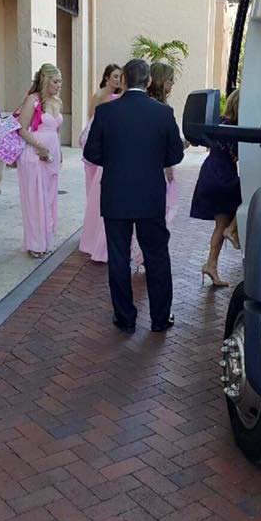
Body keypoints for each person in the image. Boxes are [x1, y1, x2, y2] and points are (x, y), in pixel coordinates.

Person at [84, 58, 184, 334]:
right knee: (157, 256)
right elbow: (175, 154)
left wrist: (117, 161)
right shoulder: (163, 113)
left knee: (118, 257)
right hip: (150, 197)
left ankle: (125, 318)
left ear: (125, 81)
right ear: (149, 81)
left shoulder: (106, 113)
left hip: (116, 195)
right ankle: (160, 318)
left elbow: (91, 153)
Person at [190, 88, 242, 287]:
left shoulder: (220, 122)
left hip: (210, 171)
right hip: (223, 175)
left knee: (220, 224)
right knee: (250, 194)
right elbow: (237, 155)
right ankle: (233, 230)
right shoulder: (236, 129)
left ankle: (211, 265)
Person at [131, 62, 180, 270]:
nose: (172, 85)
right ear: (159, 81)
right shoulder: (160, 110)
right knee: (156, 215)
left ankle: (143, 254)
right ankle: (146, 254)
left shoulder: (156, 106)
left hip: (149, 168)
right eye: (170, 80)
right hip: (153, 170)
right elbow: (168, 147)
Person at [17, 64, 62, 259]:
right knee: (35, 199)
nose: (59, 85)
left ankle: (46, 239)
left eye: (60, 81)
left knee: (49, 199)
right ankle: (35, 243)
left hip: (51, 157)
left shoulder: (57, 102)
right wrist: (40, 147)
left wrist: (56, 153)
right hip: (33, 156)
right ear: (45, 80)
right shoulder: (32, 100)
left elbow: (56, 130)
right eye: (55, 81)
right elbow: (22, 129)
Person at [79, 64, 122, 263]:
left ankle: (96, 232)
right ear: (106, 77)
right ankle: (93, 232)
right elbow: (92, 118)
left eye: (120, 77)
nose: (117, 80)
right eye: (114, 76)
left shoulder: (119, 97)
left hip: (106, 144)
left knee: (99, 190)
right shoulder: (99, 95)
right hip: (96, 145)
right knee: (94, 190)